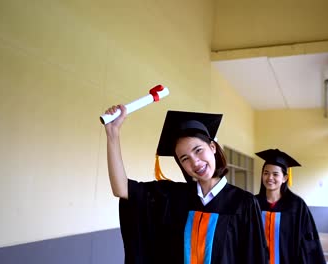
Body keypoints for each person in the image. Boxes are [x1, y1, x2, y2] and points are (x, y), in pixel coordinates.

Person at [104, 104, 268, 264]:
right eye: (185, 158)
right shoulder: (172, 196)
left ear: (212, 147)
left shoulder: (244, 203)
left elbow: (254, 258)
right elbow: (122, 188)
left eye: (198, 150)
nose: (195, 162)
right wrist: (113, 134)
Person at [255, 148, 326, 264]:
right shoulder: (253, 204)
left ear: (285, 178)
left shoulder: (297, 206)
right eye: (266, 173)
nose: (270, 178)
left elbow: (308, 243)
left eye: (275, 174)